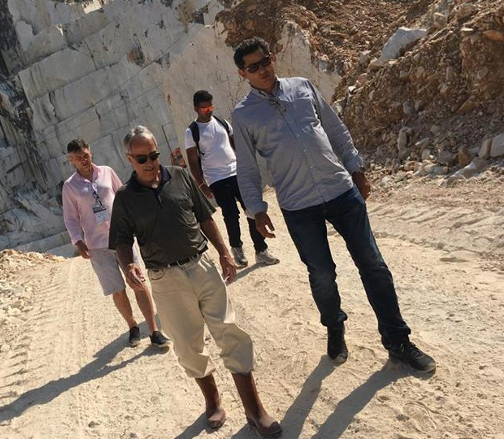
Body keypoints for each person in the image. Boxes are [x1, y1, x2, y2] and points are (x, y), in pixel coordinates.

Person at [231, 37, 436, 372]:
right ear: (243, 74)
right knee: (323, 274)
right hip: (299, 205)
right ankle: (335, 326)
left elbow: (335, 129)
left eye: (265, 61)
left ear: (272, 57)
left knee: (374, 265)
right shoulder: (242, 115)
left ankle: (398, 341)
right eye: (253, 67)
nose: (262, 69)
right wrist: (256, 209)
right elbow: (247, 166)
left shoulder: (302, 87)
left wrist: (356, 167)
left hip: (341, 191)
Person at [109, 126, 281, 436]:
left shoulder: (179, 176)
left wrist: (225, 253)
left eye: (153, 155)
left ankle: (255, 409)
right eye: (141, 158)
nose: (150, 162)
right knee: (188, 345)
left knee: (229, 331)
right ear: (129, 159)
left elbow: (204, 217)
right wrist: (128, 265)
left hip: (201, 266)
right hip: (165, 278)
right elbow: (121, 240)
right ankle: (212, 401)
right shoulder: (124, 197)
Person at [61, 139, 171, 348]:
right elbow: (70, 218)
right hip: (96, 245)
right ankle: (132, 326)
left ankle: (154, 330)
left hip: (122, 238)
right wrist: (78, 241)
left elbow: (123, 197)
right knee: (117, 289)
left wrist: (137, 223)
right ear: (71, 160)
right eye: (78, 158)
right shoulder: (69, 186)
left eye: (85, 155)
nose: (84, 160)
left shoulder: (106, 172)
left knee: (138, 282)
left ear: (90, 152)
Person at [184, 90, 280, 268]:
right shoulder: (192, 132)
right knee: (230, 215)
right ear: (196, 109)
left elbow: (236, 145)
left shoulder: (222, 123)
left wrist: (247, 165)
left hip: (237, 172)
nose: (209, 111)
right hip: (216, 179)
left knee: (252, 209)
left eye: (211, 107)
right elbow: (193, 161)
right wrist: (201, 184)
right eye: (204, 109)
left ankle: (261, 251)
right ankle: (237, 249)